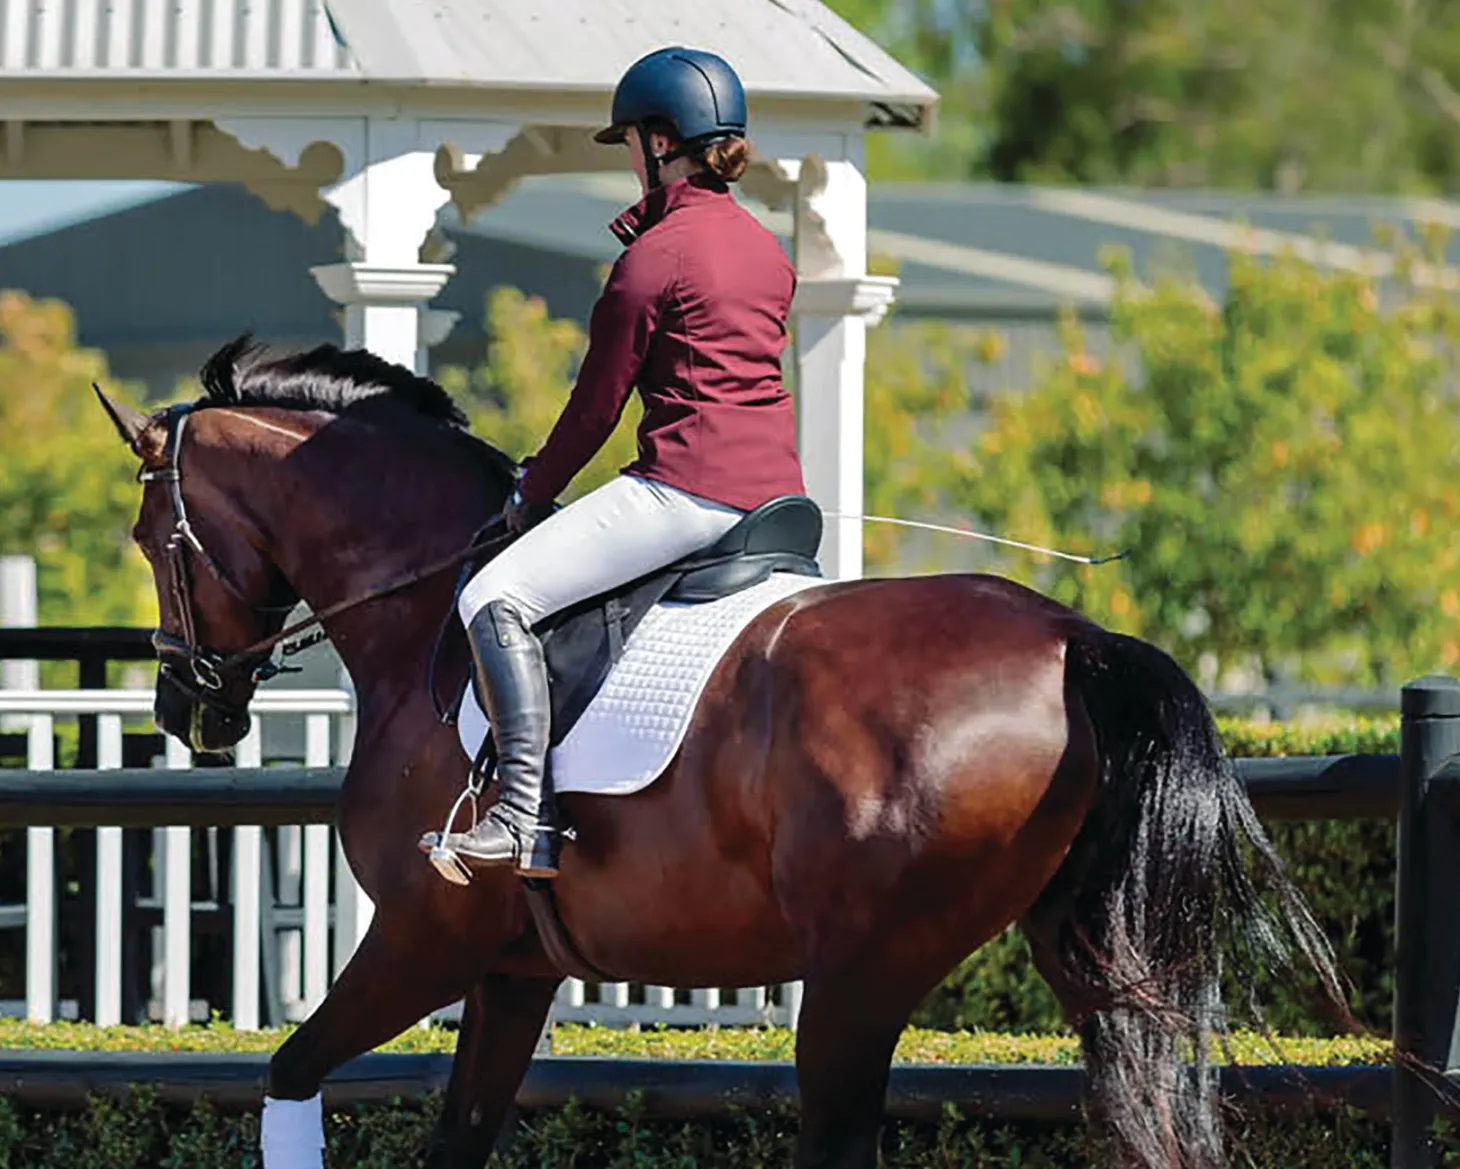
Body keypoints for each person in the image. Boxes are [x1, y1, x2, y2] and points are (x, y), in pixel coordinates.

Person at [435, 46, 807, 880]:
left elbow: (597, 408)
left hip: (686, 489)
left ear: (662, 141)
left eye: (632, 143)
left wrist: (531, 491)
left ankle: (520, 815)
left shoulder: (654, 257)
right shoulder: (764, 248)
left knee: (495, 594)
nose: (630, 161)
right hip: (777, 495)